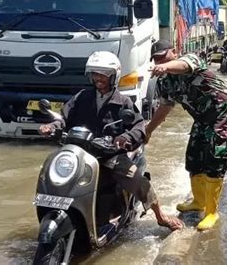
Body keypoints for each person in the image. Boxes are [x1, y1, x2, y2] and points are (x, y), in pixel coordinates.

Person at [38, 51, 183, 231]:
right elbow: (63, 117)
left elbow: (139, 126)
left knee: (137, 180)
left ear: (113, 76)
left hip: (109, 155)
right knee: (50, 175)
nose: (99, 78)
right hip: (79, 153)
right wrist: (52, 126)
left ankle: (160, 216)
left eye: (104, 74)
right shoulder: (82, 97)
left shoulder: (123, 102)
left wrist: (125, 138)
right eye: (95, 74)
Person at [145, 40, 227, 231]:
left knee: (215, 158)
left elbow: (183, 65)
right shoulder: (166, 82)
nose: (159, 62)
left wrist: (165, 66)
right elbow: (165, 108)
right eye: (156, 59)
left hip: (225, 113)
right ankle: (198, 201)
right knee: (194, 157)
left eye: (163, 57)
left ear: (174, 52)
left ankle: (212, 212)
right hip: (203, 118)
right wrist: (148, 130)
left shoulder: (191, 60)